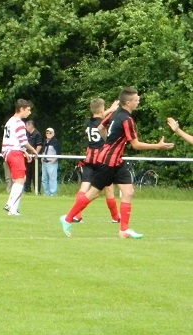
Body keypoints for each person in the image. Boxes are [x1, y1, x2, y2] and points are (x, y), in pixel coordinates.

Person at [60, 88, 173, 239]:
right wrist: (158, 146)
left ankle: (123, 230)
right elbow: (135, 145)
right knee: (93, 194)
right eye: (136, 100)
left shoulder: (115, 114)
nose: (138, 102)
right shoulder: (127, 120)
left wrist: (108, 142)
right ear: (128, 102)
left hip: (116, 161)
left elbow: (100, 127)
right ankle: (67, 218)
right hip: (107, 162)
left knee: (128, 192)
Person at [69, 98, 120, 224]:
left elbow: (98, 116)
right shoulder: (104, 123)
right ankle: (115, 217)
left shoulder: (88, 122)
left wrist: (110, 110)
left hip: (89, 158)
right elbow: (103, 122)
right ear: (102, 109)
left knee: (84, 187)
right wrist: (112, 110)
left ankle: (76, 215)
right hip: (102, 159)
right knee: (108, 188)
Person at [1, 99, 40, 216]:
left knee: (21, 179)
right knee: (20, 180)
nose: (29, 112)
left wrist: (24, 152)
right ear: (21, 109)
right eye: (28, 110)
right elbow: (23, 141)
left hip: (8, 152)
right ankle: (10, 204)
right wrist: (33, 150)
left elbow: (14, 140)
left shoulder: (10, 121)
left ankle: (13, 210)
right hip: (14, 153)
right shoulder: (19, 123)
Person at [41, 127, 61, 196]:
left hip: (51, 162)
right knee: (44, 179)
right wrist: (42, 158)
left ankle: (53, 193)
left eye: (50, 133)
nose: (48, 134)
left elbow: (59, 152)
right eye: (47, 133)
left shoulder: (55, 142)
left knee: (52, 179)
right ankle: (46, 193)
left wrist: (54, 159)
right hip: (44, 162)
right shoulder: (45, 141)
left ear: (53, 134)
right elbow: (43, 151)